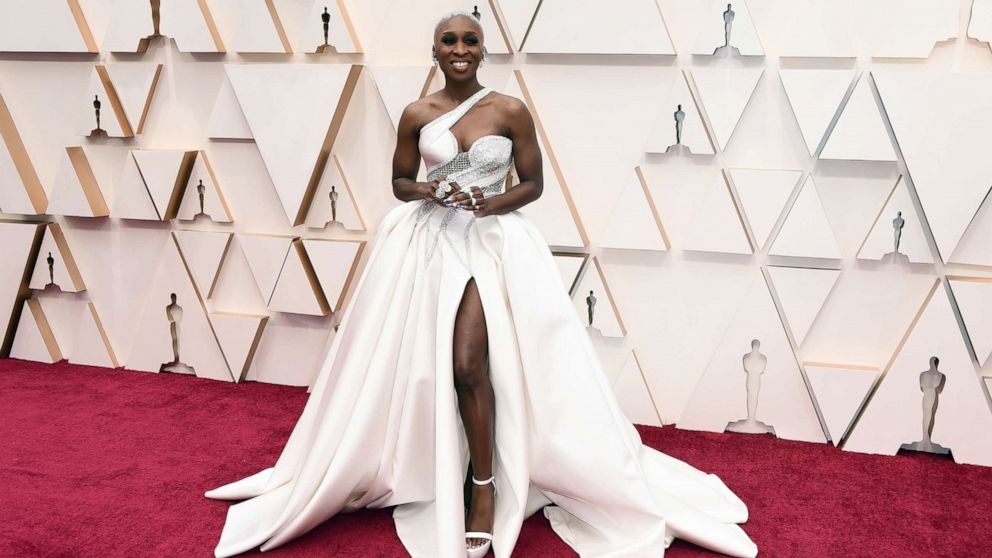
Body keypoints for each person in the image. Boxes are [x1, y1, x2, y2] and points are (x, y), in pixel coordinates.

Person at [205, 11, 758, 558]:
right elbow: (400, 182)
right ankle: (430, 465)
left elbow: (534, 182)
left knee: (470, 363)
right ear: (435, 51)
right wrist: (429, 192)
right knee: (419, 363)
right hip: (427, 245)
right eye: (449, 40)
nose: (460, 48)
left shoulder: (510, 109)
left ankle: (484, 489)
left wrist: (490, 203)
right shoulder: (417, 112)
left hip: (493, 243)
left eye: (471, 39)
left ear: (483, 49)